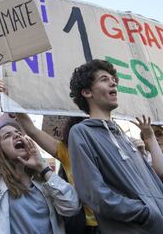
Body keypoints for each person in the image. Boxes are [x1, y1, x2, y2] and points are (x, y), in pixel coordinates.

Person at [0, 63, 80, 234]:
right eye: (7, 136)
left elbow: (72, 206)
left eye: (17, 132)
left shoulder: (44, 185)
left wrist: (43, 168)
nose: (16, 135)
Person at [68, 59, 163, 233]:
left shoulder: (124, 137)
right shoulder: (81, 132)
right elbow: (94, 194)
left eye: (113, 79)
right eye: (104, 79)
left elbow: (154, 181)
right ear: (87, 92)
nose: (113, 82)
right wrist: (145, 214)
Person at [0, 78, 97, 234]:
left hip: (123, 220)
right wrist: (10, 100)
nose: (84, 135)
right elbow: (32, 131)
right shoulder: (67, 152)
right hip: (93, 225)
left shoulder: (112, 148)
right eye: (79, 131)